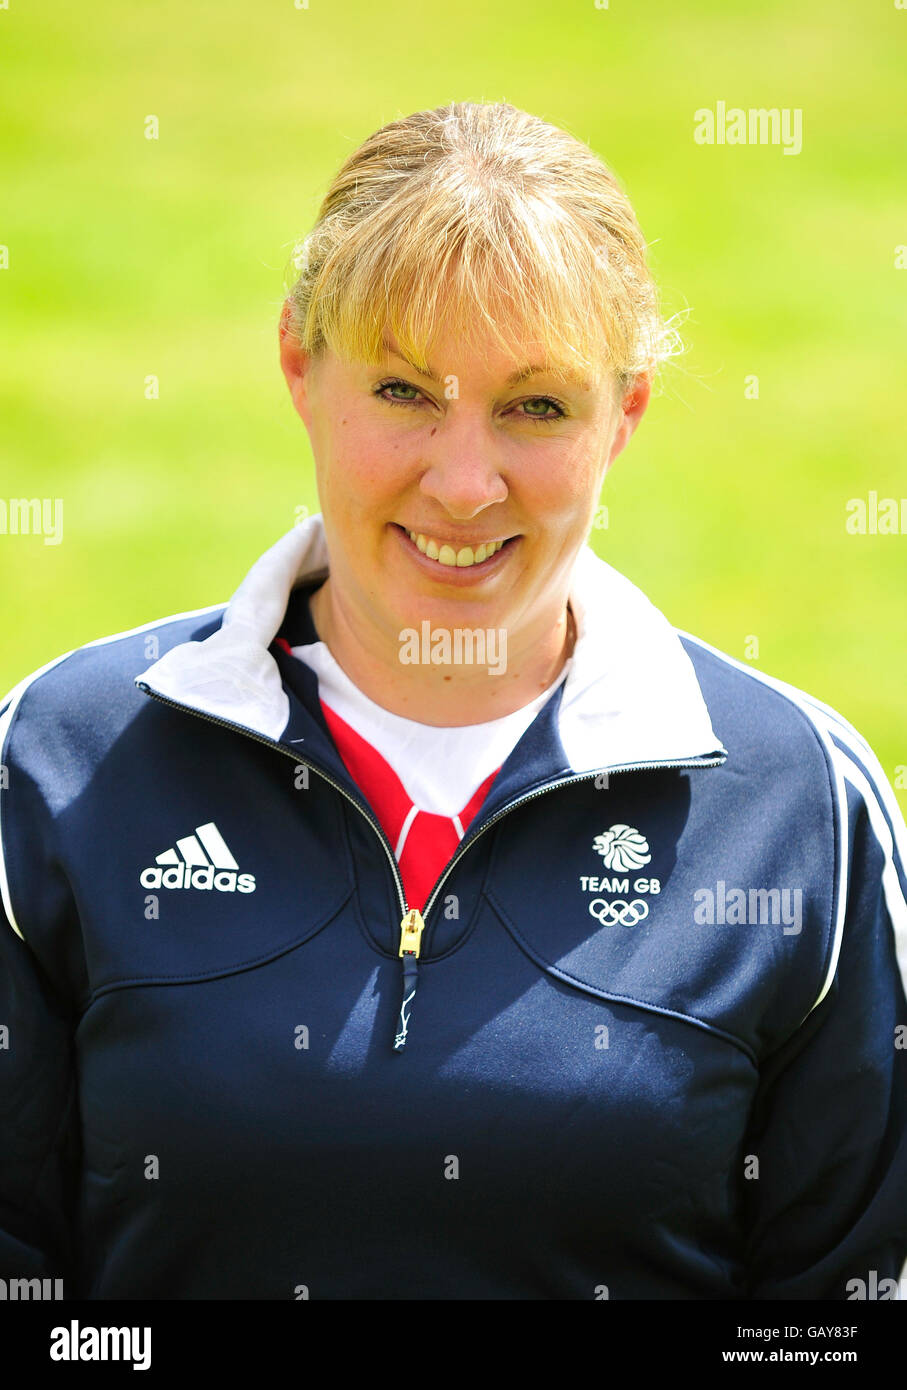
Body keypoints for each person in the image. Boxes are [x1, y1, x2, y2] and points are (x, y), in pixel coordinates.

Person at [1, 99, 906, 1301]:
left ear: (622, 417)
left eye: (536, 406)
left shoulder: (798, 799)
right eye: (403, 393)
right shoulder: (59, 761)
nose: (465, 483)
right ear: (297, 367)